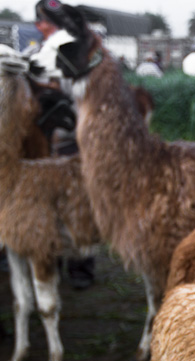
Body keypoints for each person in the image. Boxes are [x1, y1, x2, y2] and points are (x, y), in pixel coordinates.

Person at [28, 0, 96, 289]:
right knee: (46, 206)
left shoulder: (78, 56)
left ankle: (81, 266)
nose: (51, 25)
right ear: (38, 25)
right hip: (42, 148)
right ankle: (49, 259)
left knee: (78, 205)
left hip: (73, 143)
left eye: (56, 20)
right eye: (46, 20)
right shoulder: (32, 56)